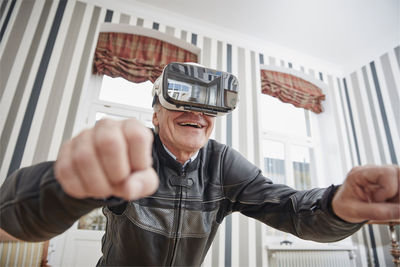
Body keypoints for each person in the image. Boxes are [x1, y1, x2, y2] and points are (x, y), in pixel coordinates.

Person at [0, 63, 399, 266]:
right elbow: (8, 226)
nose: (196, 113)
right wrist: (64, 187)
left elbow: (293, 210)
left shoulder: (223, 164)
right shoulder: (132, 152)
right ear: (155, 115)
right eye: (180, 102)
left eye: (206, 106)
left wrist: (337, 206)